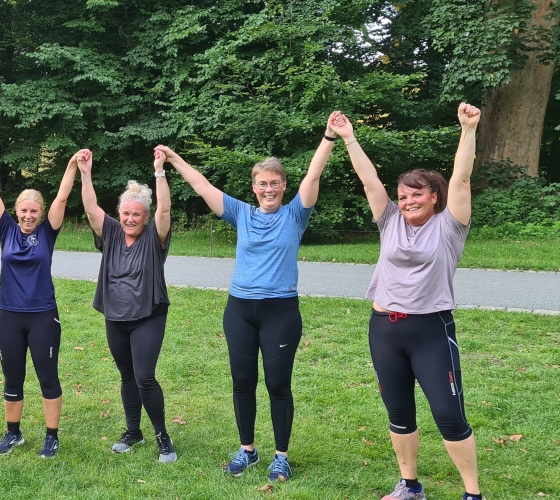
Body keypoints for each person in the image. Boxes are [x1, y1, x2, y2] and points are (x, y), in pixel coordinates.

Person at [156, 112, 340, 482]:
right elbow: (203, 186)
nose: (268, 189)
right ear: (253, 186)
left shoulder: (295, 215)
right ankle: (247, 450)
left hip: (280, 312)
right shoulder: (241, 213)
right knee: (243, 381)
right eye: (262, 184)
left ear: (283, 185)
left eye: (274, 183)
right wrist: (174, 160)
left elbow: (313, 175)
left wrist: (329, 137)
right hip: (239, 310)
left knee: (277, 384)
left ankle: (282, 456)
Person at [333, 103, 483, 500]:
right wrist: (349, 137)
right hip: (384, 329)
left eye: (417, 194)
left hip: (430, 330)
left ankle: (472, 495)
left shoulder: (451, 226)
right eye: (402, 195)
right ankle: (410, 486)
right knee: (399, 413)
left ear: (435, 196)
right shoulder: (390, 220)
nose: (408, 201)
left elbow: (463, 180)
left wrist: (468, 131)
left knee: (449, 416)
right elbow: (369, 181)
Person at [0, 139, 78, 458]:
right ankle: (13, 433)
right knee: (13, 377)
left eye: (34, 211)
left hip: (43, 315)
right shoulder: (6, 229)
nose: (29, 215)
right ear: (16, 211)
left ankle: (51, 436)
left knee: (47, 377)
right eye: (24, 210)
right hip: (8, 315)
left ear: (41, 213)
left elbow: (62, 196)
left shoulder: (48, 232)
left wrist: (72, 165)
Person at [78, 148, 176, 463]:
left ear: (145, 218)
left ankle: (163, 437)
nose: (130, 219)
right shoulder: (111, 233)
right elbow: (91, 208)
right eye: (126, 213)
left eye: (136, 214)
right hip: (115, 315)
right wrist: (85, 173)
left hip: (148, 314)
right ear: (119, 215)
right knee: (127, 376)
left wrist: (160, 171)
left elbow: (164, 210)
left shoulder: (154, 237)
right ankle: (133, 431)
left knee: (145, 376)